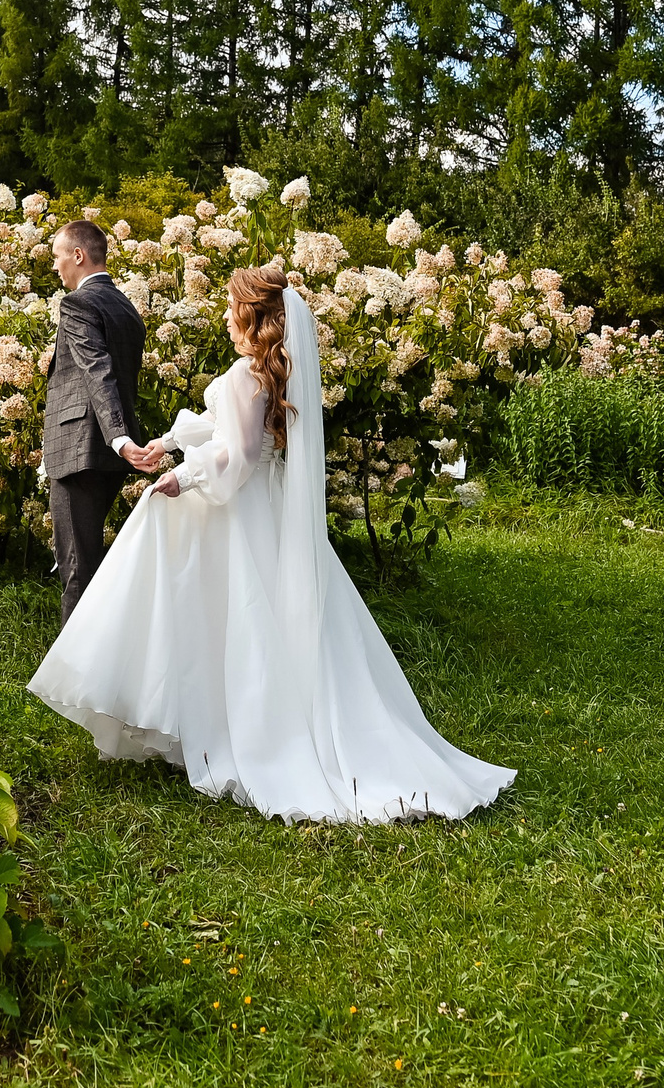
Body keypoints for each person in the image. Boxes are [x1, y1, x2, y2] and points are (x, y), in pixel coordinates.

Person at [28, 261, 515, 823]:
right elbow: (223, 432)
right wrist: (165, 443)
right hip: (267, 510)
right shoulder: (267, 375)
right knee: (257, 619)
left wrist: (180, 478)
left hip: (237, 510)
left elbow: (236, 459)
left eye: (233, 309)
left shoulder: (244, 375)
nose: (226, 318)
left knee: (226, 612)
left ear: (253, 317)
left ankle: (210, 722)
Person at [40, 217, 149, 625]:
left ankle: (73, 681)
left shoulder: (78, 303)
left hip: (83, 449)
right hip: (105, 453)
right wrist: (119, 439)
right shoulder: (126, 308)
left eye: (57, 256)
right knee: (88, 563)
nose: (55, 267)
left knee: (76, 569)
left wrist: (118, 437)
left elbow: (98, 371)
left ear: (78, 255)